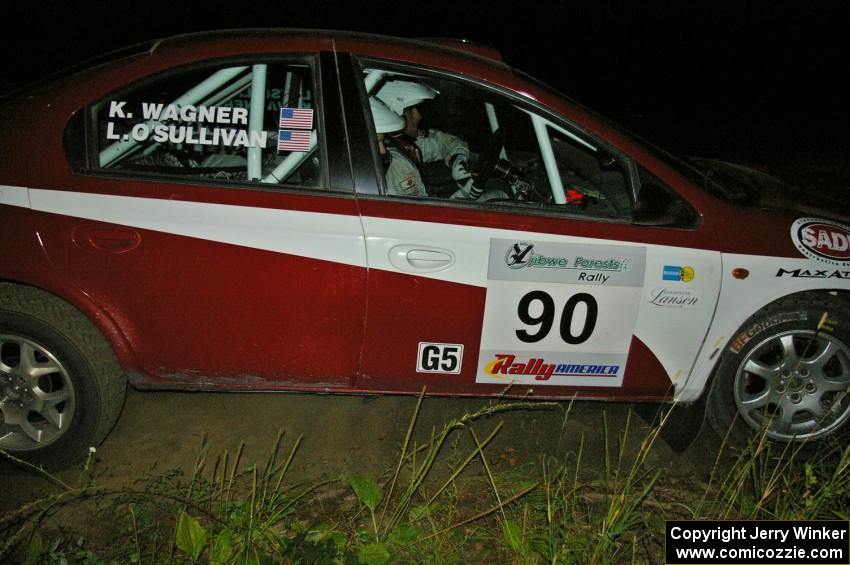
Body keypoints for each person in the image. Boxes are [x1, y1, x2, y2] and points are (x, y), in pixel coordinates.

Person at [376, 80, 484, 200]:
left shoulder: (406, 145)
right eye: (411, 111)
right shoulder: (391, 165)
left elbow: (444, 142)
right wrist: (458, 199)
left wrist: (457, 163)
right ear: (395, 115)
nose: (418, 116)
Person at [370, 97, 428, 197]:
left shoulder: (401, 155)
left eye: (382, 141)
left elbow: (437, 144)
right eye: (377, 142)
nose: (383, 151)